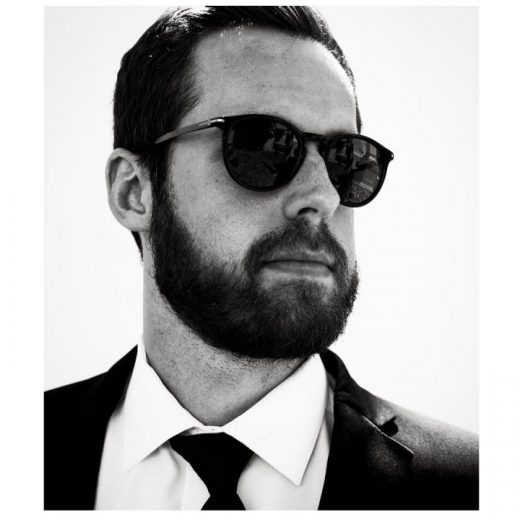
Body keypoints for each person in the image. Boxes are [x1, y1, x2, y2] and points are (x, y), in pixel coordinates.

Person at [44, 6, 478, 510]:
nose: (322, 196)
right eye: (261, 146)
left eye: (347, 159)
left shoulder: (477, 489)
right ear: (134, 191)